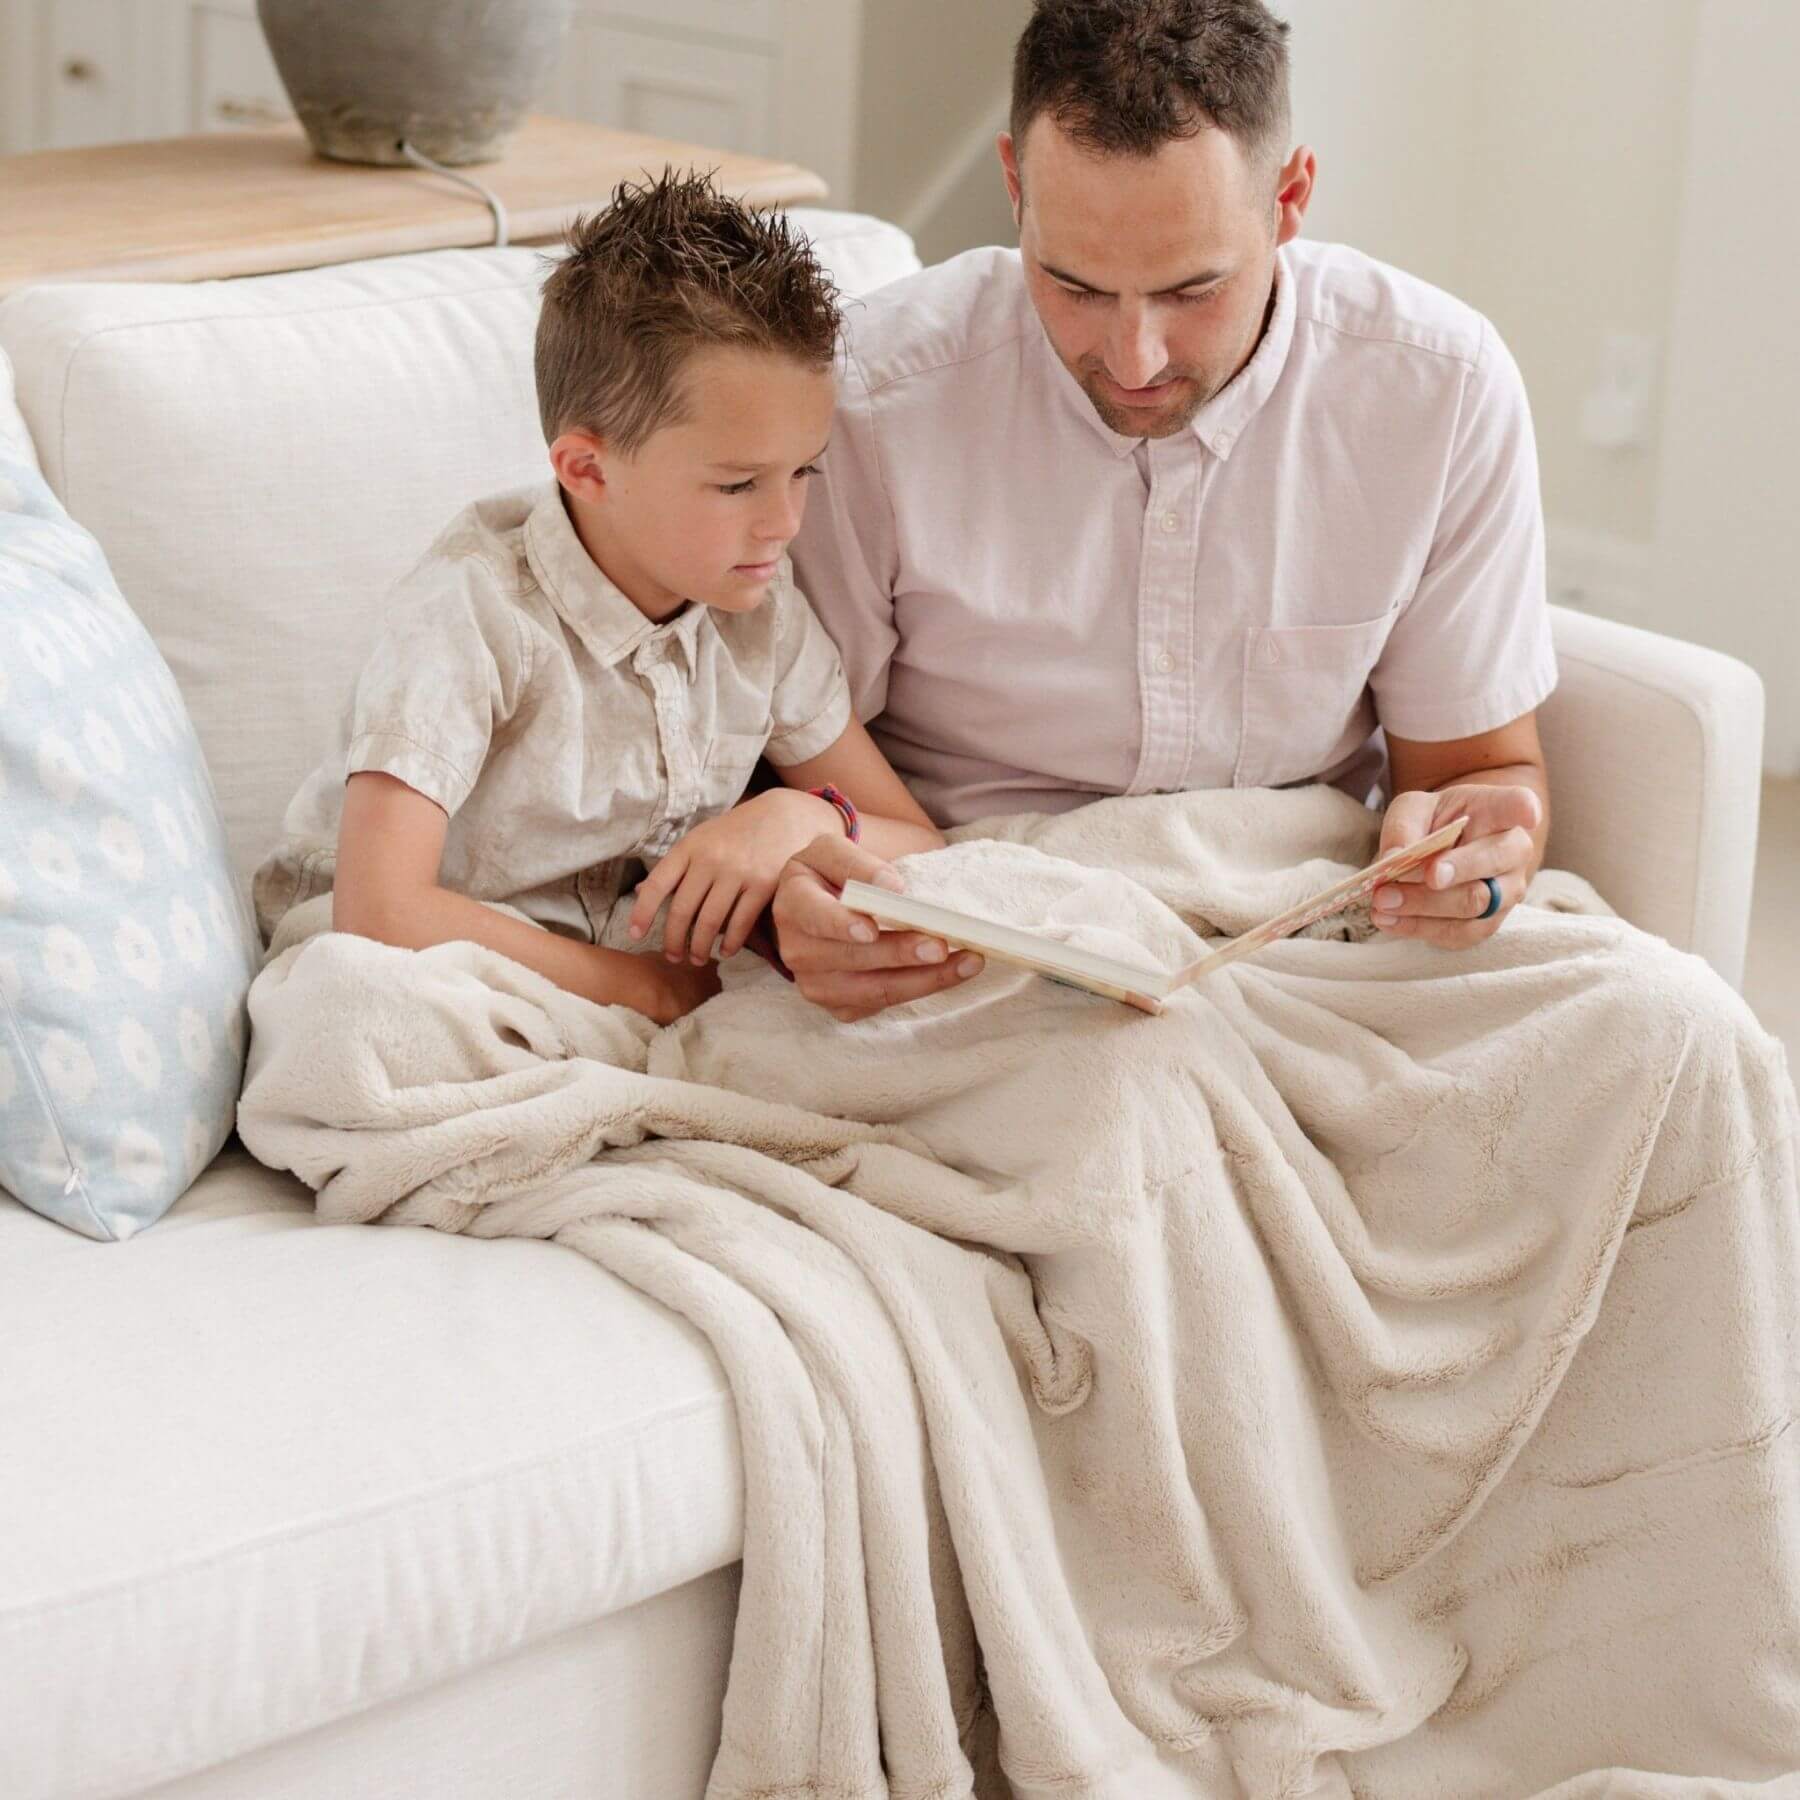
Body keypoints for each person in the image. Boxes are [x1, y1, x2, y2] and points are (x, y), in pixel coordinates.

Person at [777, 0, 1554, 1020]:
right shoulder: (872, 398)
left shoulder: (1437, 390)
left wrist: (1481, 855)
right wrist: (806, 874)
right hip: (984, 938)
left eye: (1193, 290)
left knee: (1679, 1029)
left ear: (1289, 197)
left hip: (1306, 923)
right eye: (1074, 285)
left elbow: (1480, 772)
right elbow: (783, 755)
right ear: (1014, 187)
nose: (1133, 358)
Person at [252, 171, 943, 1026]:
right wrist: (647, 991)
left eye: (803, 471)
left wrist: (797, 816)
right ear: (587, 468)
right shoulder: (472, 613)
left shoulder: (761, 612)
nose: (785, 523)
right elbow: (381, 911)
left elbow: (917, 840)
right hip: (436, 958)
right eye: (737, 486)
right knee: (362, 1017)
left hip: (625, 977)